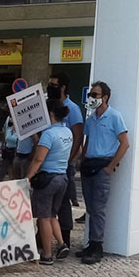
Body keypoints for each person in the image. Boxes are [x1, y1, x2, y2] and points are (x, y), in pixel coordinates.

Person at [76, 81, 130, 265]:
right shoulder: (90, 120)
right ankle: (91, 245)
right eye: (90, 94)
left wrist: (111, 166)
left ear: (105, 97)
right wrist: (81, 161)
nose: (91, 97)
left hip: (103, 166)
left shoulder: (115, 116)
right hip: (88, 165)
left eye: (95, 94)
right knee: (90, 208)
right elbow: (87, 141)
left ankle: (97, 246)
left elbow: (125, 143)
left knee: (98, 209)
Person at [26, 100, 74, 265]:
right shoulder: (67, 132)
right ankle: (61, 244)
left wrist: (28, 178)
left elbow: (39, 159)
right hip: (62, 178)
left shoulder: (49, 134)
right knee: (52, 214)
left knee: (43, 217)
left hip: (48, 179)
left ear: (50, 113)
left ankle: (46, 254)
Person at [47, 72, 84, 252]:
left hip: (63, 164)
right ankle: (44, 238)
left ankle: (65, 239)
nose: (50, 87)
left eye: (53, 84)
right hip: (46, 162)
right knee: (45, 203)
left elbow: (78, 137)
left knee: (63, 203)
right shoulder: (47, 105)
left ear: (62, 87)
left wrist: (70, 159)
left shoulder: (73, 109)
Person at [0, 116, 18, 182]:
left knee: (12, 169)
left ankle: (12, 181)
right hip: (7, 149)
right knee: (3, 168)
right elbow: (5, 138)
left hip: (14, 150)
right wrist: (3, 145)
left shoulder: (18, 132)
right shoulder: (9, 129)